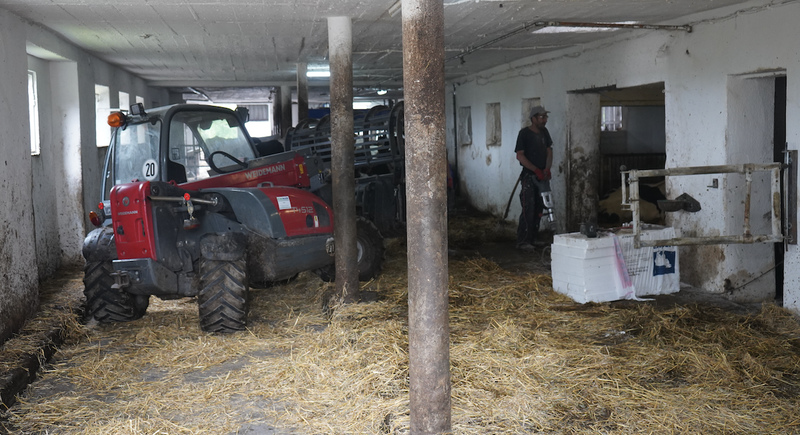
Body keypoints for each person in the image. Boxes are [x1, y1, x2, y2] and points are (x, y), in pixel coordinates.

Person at [514, 105, 553, 251]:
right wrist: (535, 170)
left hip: (542, 176)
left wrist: (547, 168)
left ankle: (533, 238)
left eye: (545, 117)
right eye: (541, 117)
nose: (544, 120)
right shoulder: (524, 134)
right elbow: (520, 155)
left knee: (539, 208)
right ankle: (523, 240)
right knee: (528, 207)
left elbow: (549, 151)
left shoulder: (545, 133)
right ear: (533, 119)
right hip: (529, 177)